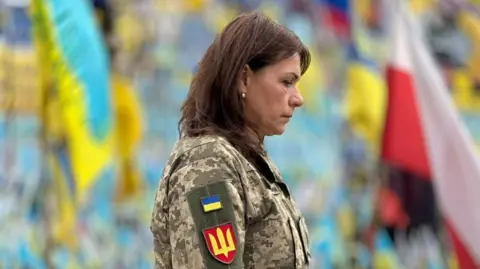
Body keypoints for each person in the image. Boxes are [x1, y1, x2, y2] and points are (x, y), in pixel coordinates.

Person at [151, 11, 312, 269]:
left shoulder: (249, 161)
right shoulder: (208, 162)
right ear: (243, 78)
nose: (298, 98)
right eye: (287, 82)